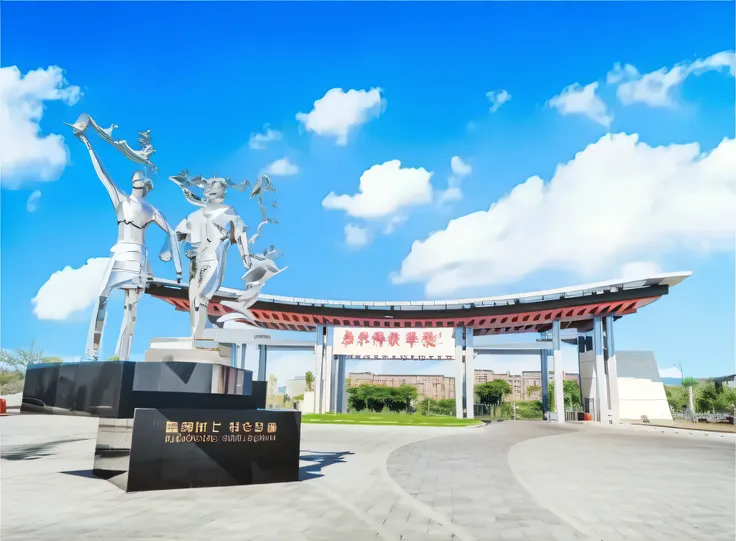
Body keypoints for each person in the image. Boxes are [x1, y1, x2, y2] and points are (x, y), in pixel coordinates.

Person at [68, 116, 182, 360]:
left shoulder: (152, 210)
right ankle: (93, 352)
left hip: (139, 258)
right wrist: (87, 142)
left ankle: (122, 357)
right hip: (120, 253)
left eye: (141, 179)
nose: (137, 179)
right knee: (102, 296)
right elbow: (102, 173)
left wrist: (172, 258)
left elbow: (172, 233)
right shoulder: (121, 199)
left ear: (146, 186)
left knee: (131, 310)